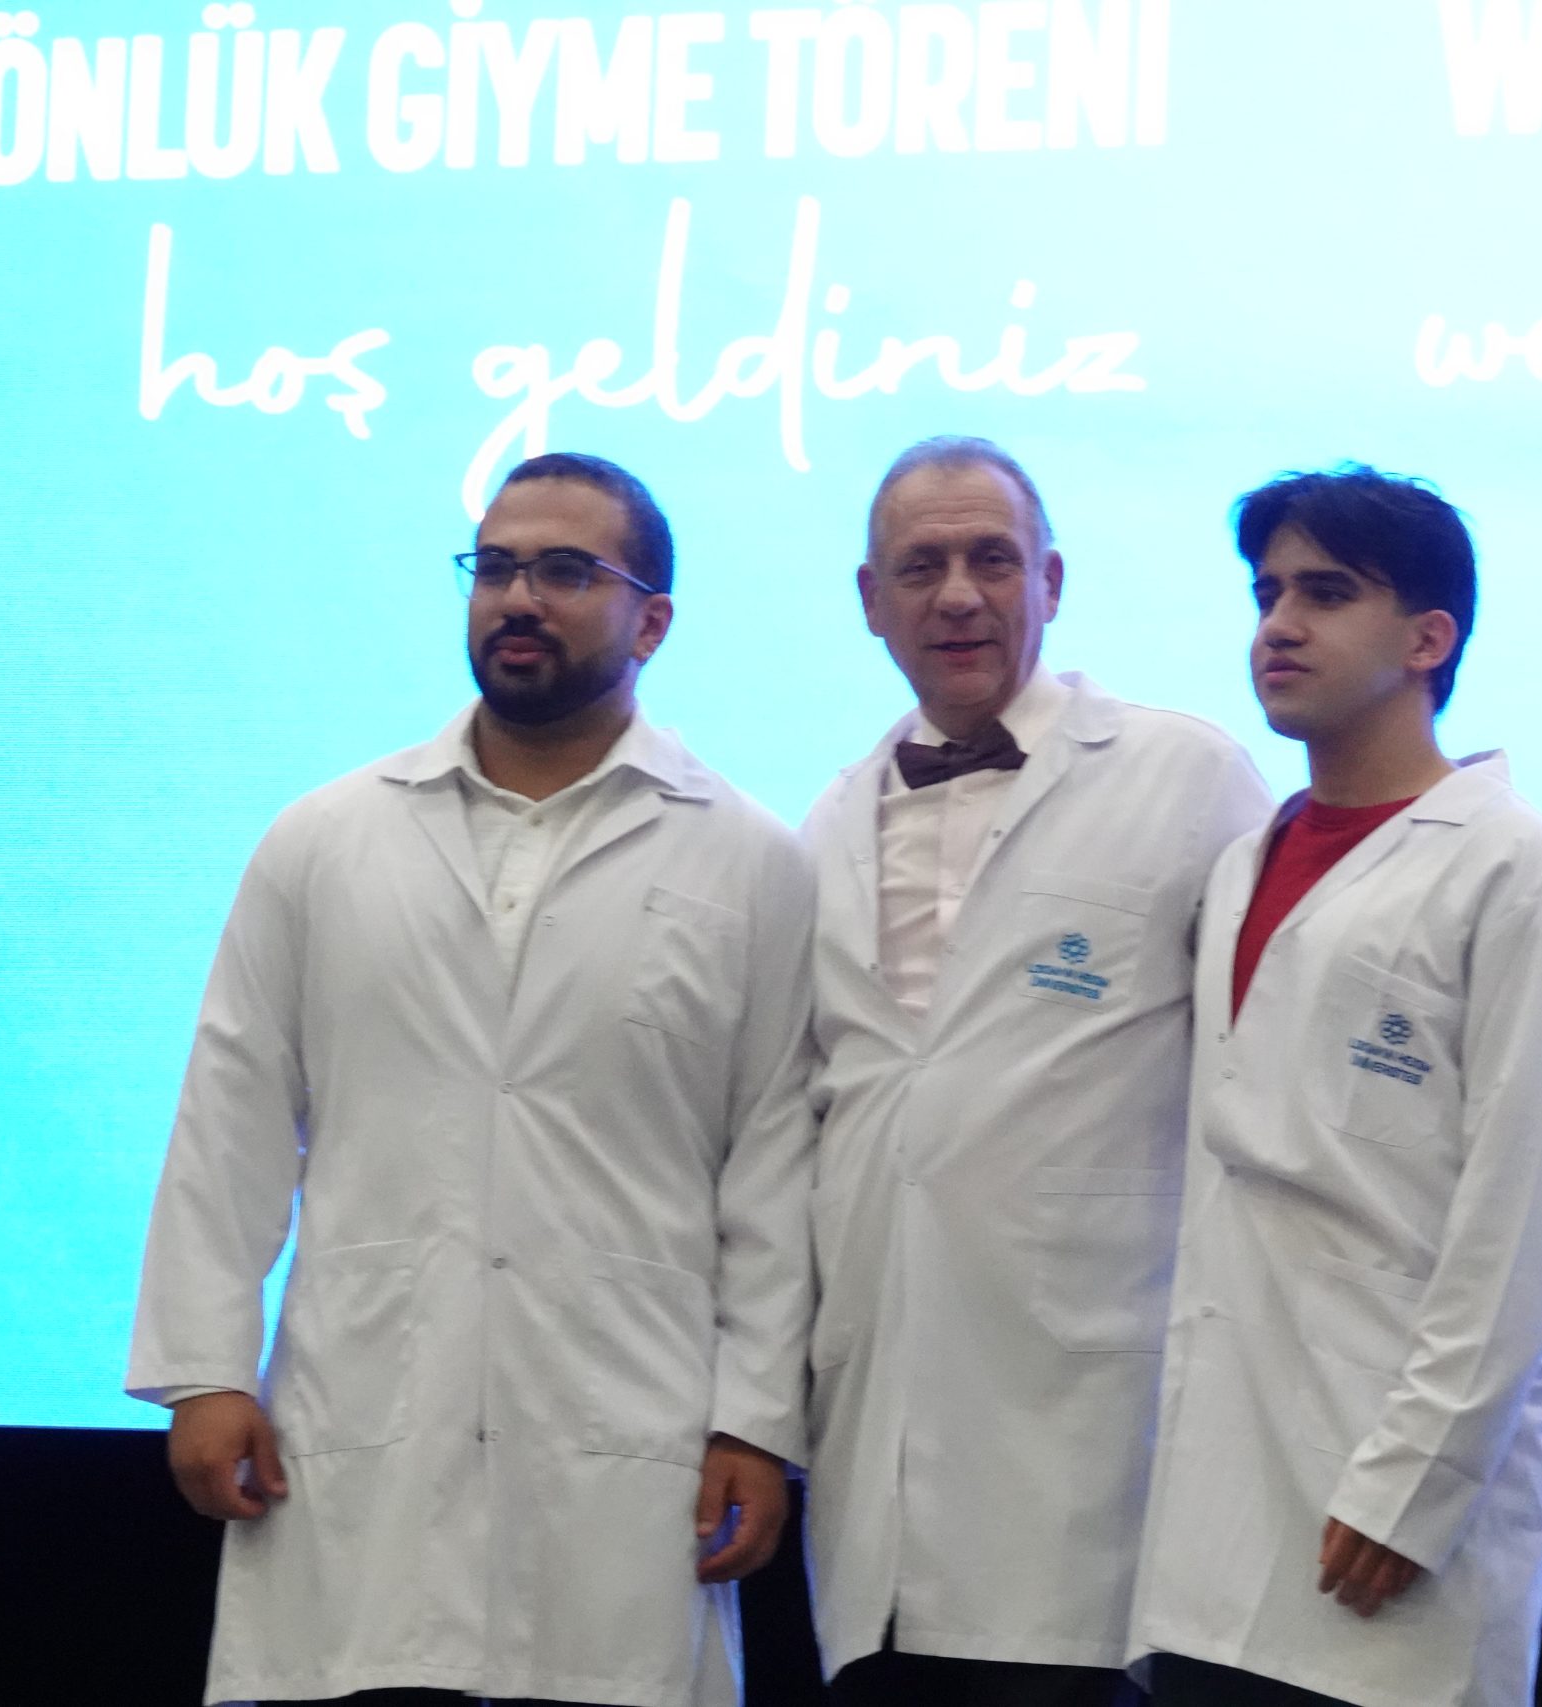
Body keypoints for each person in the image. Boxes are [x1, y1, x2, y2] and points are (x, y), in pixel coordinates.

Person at [125, 452, 817, 1706]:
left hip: (627, 1449)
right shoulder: (325, 839)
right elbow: (230, 1116)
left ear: (652, 621)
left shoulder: (752, 863)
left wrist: (756, 1421)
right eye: (494, 568)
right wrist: (207, 1372)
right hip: (363, 1435)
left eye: (566, 571)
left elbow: (773, 1169)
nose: (519, 599)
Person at [1126, 466, 1542, 1707]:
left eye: (1327, 593)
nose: (1279, 625)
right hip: (1214, 1512)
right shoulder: (1239, 864)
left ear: (1427, 638)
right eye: (1267, 594)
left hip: (1394, 1511)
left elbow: (1527, 1214)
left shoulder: (1528, 878)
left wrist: (1418, 1480)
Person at [798, 436, 1271, 1706]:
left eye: (991, 560)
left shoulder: (1186, 777)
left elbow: (1266, 1079)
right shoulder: (826, 825)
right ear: (870, 601)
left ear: (1050, 580)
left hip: (1088, 1446)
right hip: (876, 1456)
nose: (958, 594)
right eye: (921, 567)